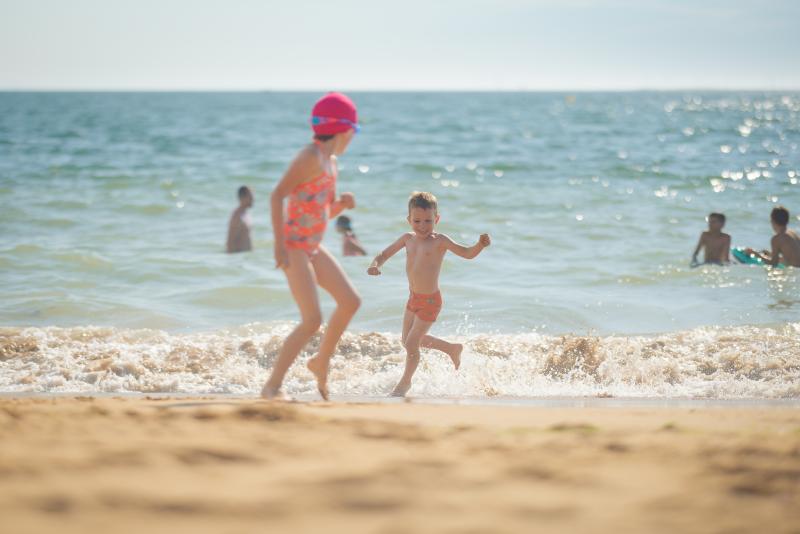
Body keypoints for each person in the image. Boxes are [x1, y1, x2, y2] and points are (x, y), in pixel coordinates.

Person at [261, 92, 362, 400]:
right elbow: (277, 195)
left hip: (313, 245)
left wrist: (340, 206)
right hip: (294, 246)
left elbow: (320, 213)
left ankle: (320, 362)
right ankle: (272, 387)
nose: (352, 139)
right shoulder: (309, 157)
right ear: (344, 130)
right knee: (312, 320)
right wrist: (279, 246)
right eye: (353, 133)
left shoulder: (331, 164)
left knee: (350, 301)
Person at [367, 191, 491, 397]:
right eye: (417, 221)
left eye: (428, 221)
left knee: (412, 344)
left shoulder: (439, 241)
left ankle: (404, 384)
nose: (422, 226)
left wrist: (480, 245)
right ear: (409, 220)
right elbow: (384, 253)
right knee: (406, 340)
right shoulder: (407, 239)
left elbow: (467, 253)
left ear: (437, 219)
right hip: (413, 298)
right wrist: (375, 264)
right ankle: (451, 349)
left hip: (431, 301)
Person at [226, 186, 253, 253]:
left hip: (245, 257)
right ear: (242, 198)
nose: (253, 199)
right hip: (239, 258)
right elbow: (230, 241)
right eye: (250, 196)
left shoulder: (246, 214)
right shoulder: (237, 216)